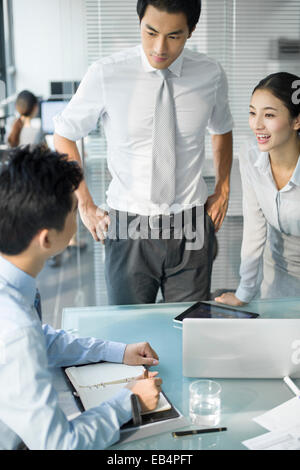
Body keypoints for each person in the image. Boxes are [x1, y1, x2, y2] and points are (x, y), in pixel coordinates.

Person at [54, 0, 233, 305]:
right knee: (130, 335)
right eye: (150, 32)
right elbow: (64, 136)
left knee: (188, 328)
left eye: (174, 36)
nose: (159, 47)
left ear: (190, 31)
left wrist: (223, 187)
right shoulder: (106, 74)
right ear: (139, 23)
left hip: (190, 222)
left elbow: (222, 129)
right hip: (128, 225)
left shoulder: (210, 74)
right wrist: (84, 202)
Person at [0, 145, 162, 450]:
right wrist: (132, 399)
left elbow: (41, 340)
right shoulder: (14, 329)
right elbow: (61, 445)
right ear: (46, 239)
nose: (80, 218)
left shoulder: (12, 282)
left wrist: (117, 351)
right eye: (74, 210)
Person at [215, 72, 300, 306]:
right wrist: (244, 292)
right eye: (253, 113)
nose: (257, 124)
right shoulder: (251, 155)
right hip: (277, 272)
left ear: (297, 121)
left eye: (269, 115)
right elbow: (254, 227)